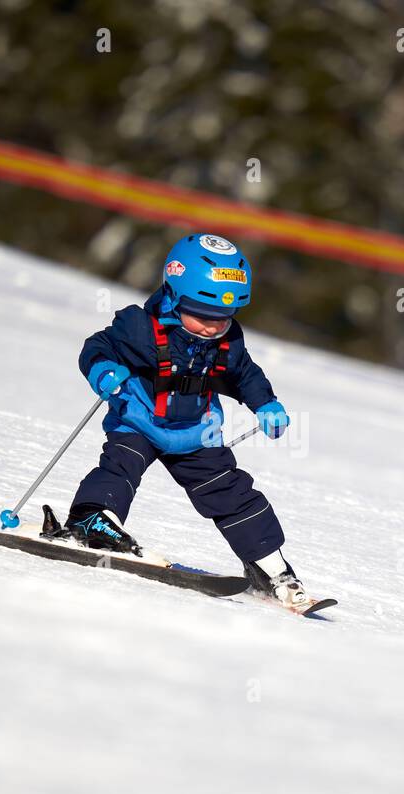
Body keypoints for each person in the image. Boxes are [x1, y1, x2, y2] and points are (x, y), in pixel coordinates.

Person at [63, 233, 309, 608]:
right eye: (201, 313)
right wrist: (103, 369)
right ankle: (92, 519)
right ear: (174, 297)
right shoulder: (141, 328)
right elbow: (97, 347)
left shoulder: (228, 342)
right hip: (139, 419)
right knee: (120, 468)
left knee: (233, 493)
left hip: (197, 432)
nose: (212, 326)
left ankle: (270, 568)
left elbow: (245, 375)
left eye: (223, 317)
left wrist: (266, 405)